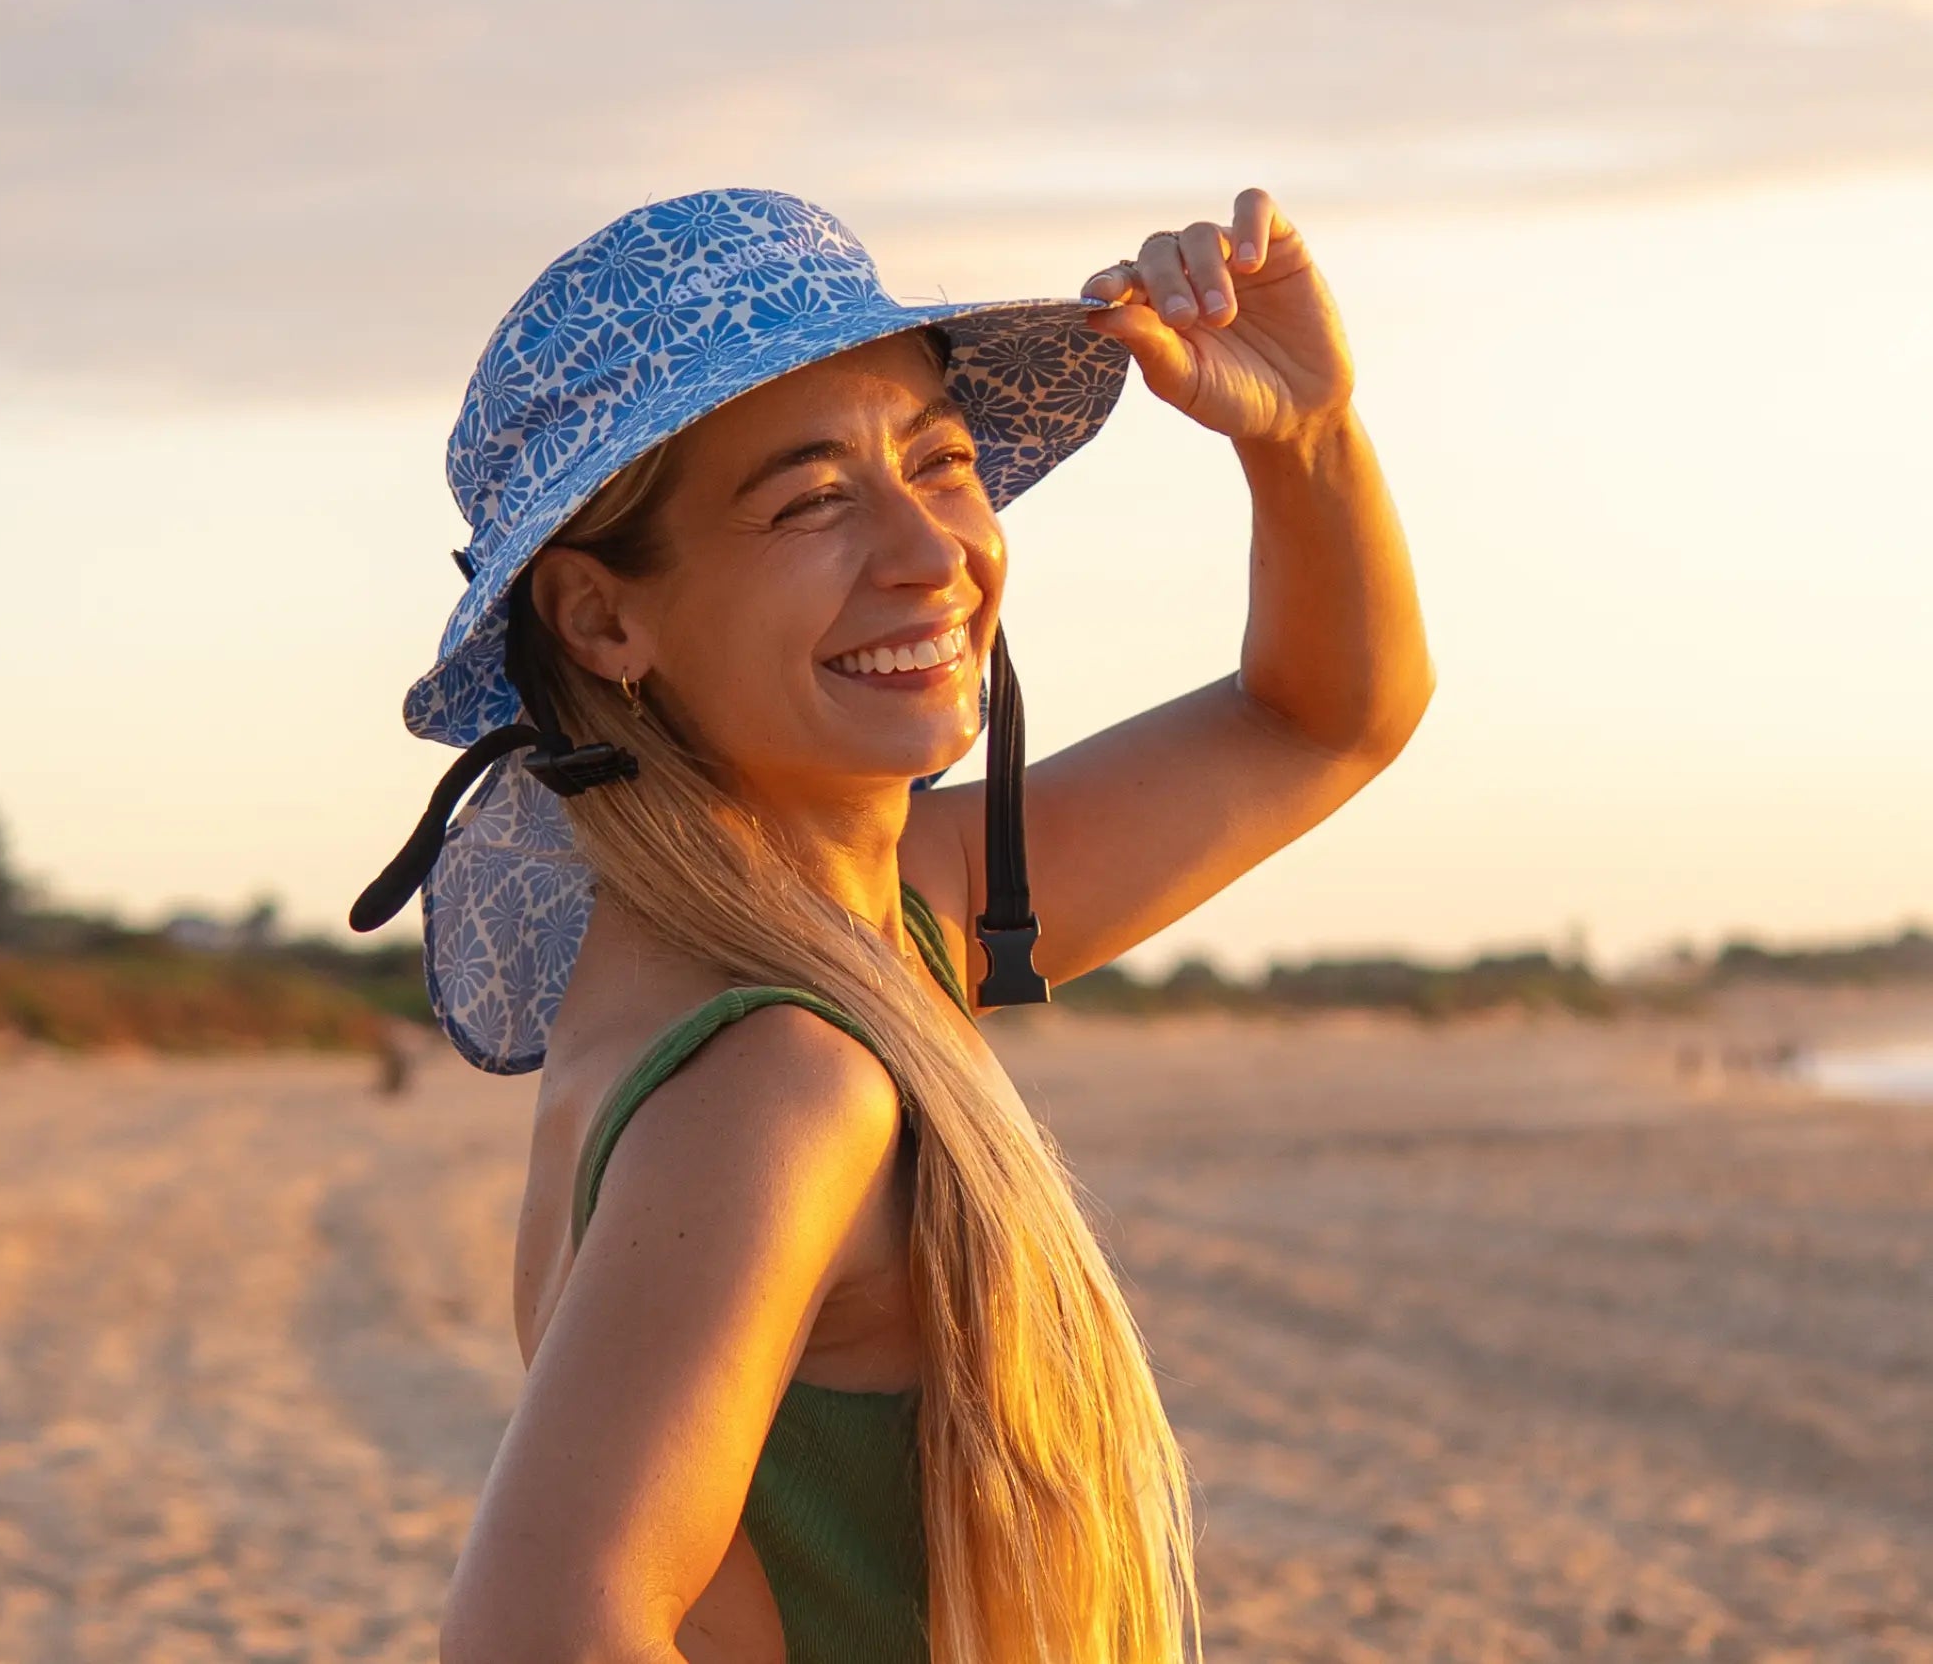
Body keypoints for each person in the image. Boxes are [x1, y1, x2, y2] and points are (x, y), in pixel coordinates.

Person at [352, 185, 1432, 1664]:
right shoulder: (774, 1077)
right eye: (807, 501)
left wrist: (1301, 439)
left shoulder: (866, 925)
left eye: (943, 463)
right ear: (604, 621)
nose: (930, 552)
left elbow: (1323, 720)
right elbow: (545, 1634)